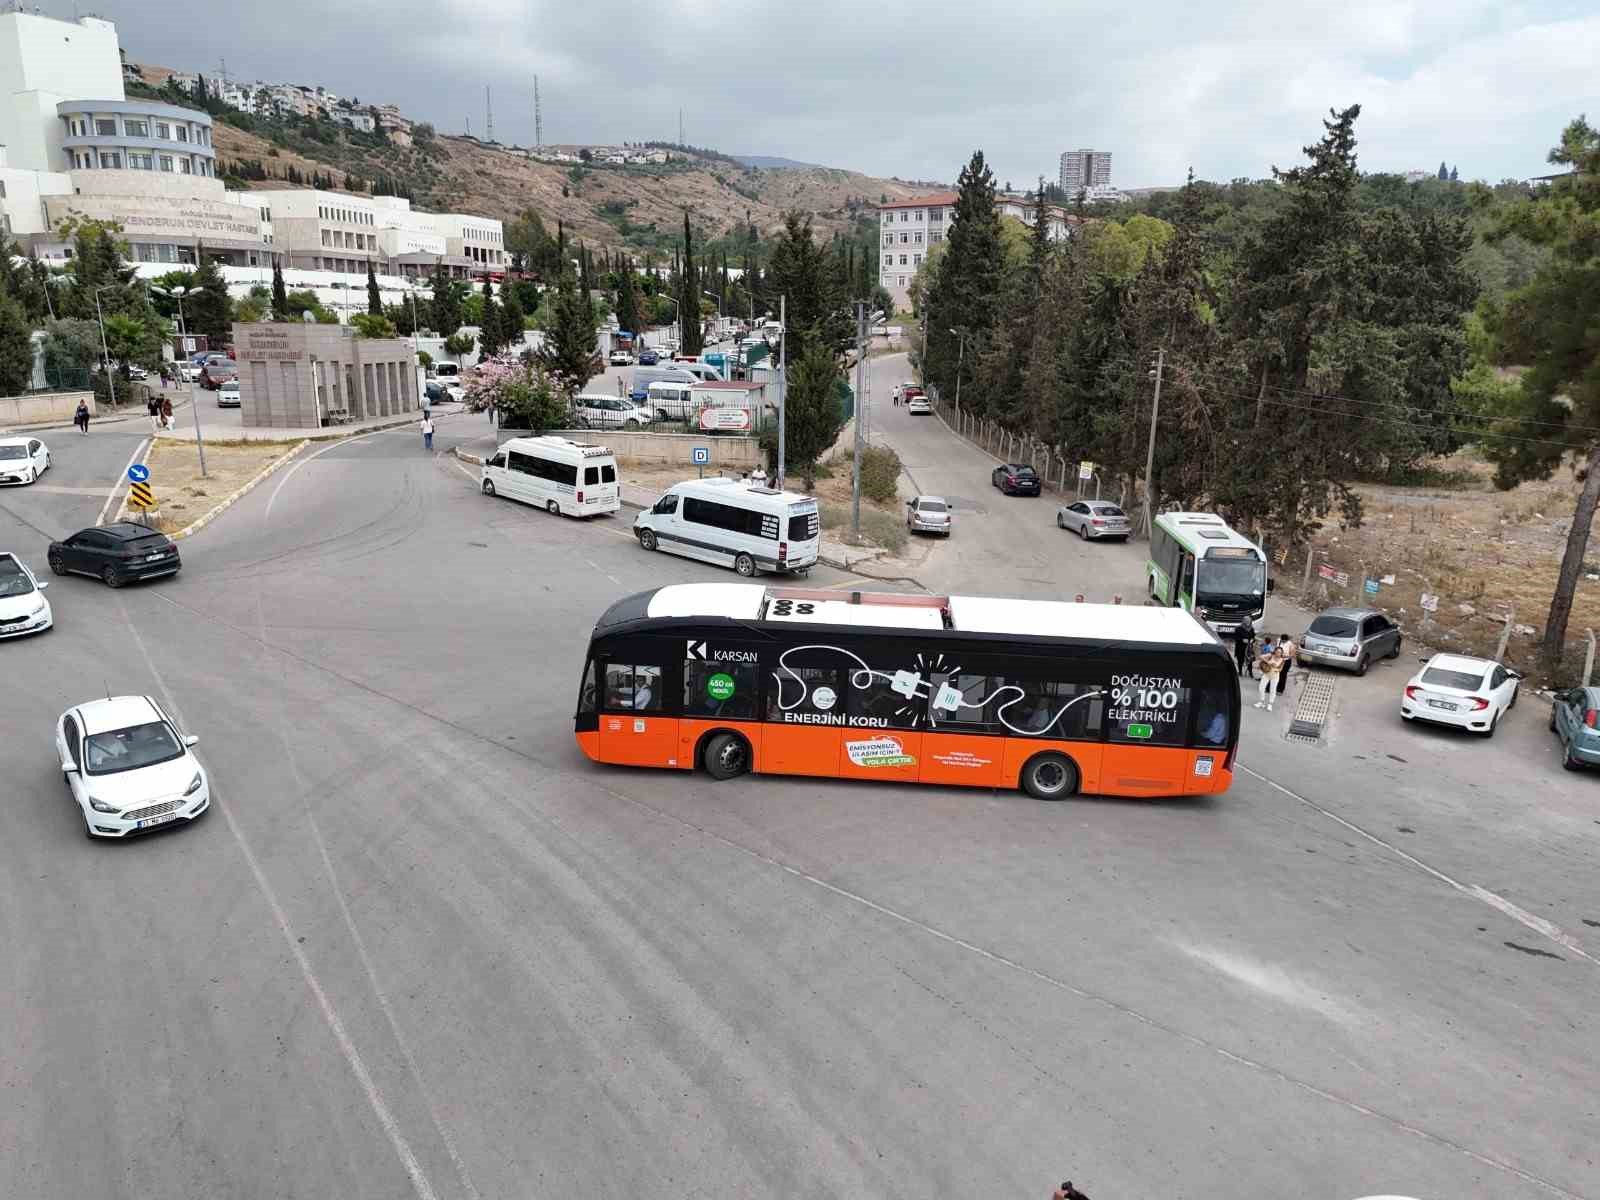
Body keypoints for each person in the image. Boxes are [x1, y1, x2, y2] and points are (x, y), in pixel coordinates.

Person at [1255, 638, 1284, 711]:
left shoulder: (1282, 660)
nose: (1278, 653)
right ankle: (1261, 702)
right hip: (1266, 674)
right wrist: (1268, 662)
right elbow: (1260, 656)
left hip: (1275, 676)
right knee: (1261, 687)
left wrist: (1275, 668)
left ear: (1281, 653)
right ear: (1275, 651)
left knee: (1273, 690)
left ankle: (1270, 704)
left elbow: (1280, 669)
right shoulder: (1270, 655)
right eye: (1277, 652)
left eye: (1280, 652)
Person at [1233, 614, 1256, 678]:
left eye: (1249, 621)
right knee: (1240, 660)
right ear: (1243, 621)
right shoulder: (1238, 628)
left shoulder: (1251, 629)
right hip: (1240, 647)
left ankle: (1250, 673)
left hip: (1248, 648)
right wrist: (1242, 640)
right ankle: (1240, 672)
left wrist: (1252, 640)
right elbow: (1236, 638)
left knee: (1249, 661)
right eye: (1246, 621)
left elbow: (1254, 637)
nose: (1248, 622)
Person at [1276, 631, 1297, 699]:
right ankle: (1274, 686)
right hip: (1278, 660)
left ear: (1287, 640)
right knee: (1276, 673)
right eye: (1282, 641)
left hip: (1286, 661)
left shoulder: (1290, 644)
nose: (1283, 642)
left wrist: (1286, 655)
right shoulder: (1278, 640)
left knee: (1283, 675)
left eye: (1284, 641)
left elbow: (1293, 654)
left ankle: (1280, 690)